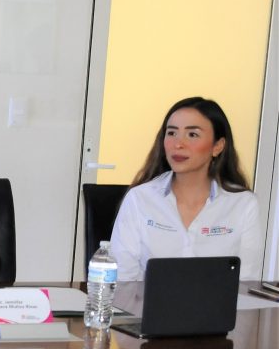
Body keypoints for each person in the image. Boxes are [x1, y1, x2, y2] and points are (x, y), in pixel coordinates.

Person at [110, 97, 263, 281]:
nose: (178, 144)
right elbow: (122, 280)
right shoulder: (139, 199)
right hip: (147, 301)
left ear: (217, 146)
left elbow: (246, 281)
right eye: (172, 133)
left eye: (192, 135)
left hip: (218, 301)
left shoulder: (244, 204)